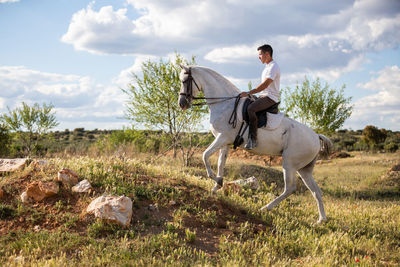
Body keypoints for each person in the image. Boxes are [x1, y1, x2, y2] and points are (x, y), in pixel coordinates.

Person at [240, 44, 280, 150]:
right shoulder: (267, 67)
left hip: (270, 98)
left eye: (260, 54)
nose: (259, 57)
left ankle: (253, 140)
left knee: (251, 109)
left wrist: (249, 92)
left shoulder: (273, 66)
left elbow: (265, 85)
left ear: (267, 54)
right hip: (263, 96)